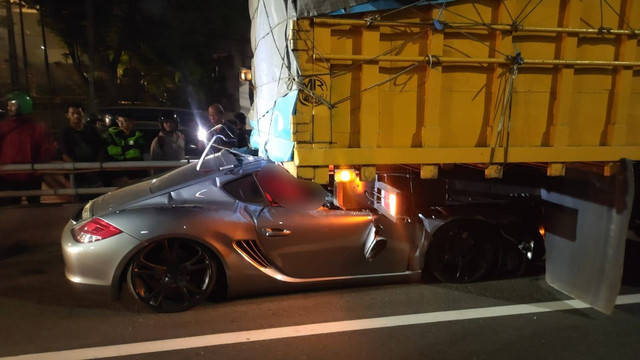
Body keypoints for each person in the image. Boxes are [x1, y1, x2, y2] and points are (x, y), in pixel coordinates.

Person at [0, 92, 55, 205]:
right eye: (9, 104)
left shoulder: (37, 127)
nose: (8, 107)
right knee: (12, 208)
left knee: (31, 207)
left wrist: (40, 168)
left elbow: (46, 149)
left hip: (28, 176)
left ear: (22, 106)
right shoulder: (3, 126)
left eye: (12, 104)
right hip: (10, 177)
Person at [59, 103, 105, 198]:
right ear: (67, 115)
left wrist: (97, 166)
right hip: (77, 176)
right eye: (73, 113)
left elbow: (101, 148)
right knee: (78, 202)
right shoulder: (65, 133)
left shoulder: (92, 130)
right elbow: (65, 154)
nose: (76, 116)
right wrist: (82, 169)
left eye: (79, 113)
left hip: (94, 175)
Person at [103, 114, 147, 186]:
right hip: (118, 172)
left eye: (125, 121)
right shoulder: (112, 134)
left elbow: (137, 153)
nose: (121, 123)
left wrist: (121, 151)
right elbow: (111, 150)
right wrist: (128, 148)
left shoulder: (138, 135)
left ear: (132, 122)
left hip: (135, 171)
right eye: (119, 121)